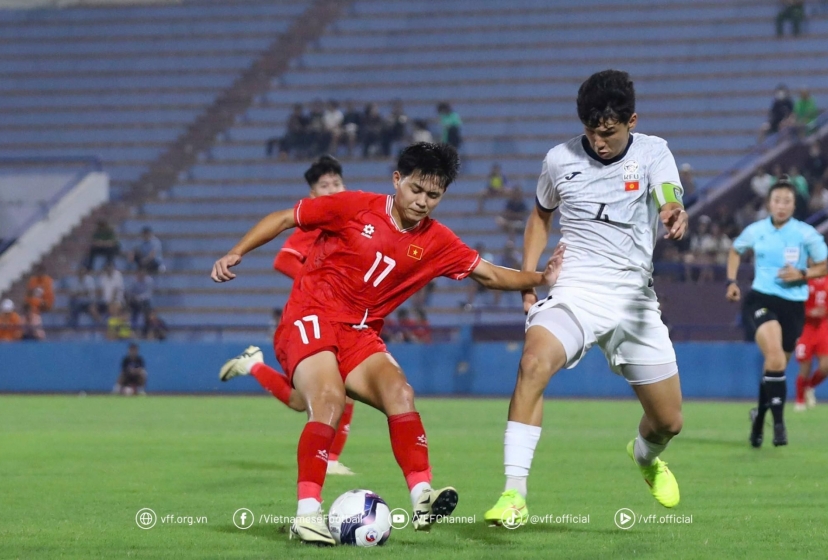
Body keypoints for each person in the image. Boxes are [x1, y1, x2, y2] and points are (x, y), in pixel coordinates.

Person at [211, 142, 564, 545]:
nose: (422, 201)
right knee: (328, 400)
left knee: (400, 391)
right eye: (416, 190)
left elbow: (488, 275)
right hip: (309, 316)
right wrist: (236, 252)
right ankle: (307, 515)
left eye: (433, 195)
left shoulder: (437, 240)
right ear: (397, 180)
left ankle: (422, 498)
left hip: (359, 333)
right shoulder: (353, 206)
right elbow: (285, 218)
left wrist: (539, 278)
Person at [485, 70, 690, 527]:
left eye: (609, 133)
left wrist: (675, 211)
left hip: (635, 300)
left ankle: (644, 457)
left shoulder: (655, 152)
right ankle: (513, 494)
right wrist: (526, 280)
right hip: (576, 289)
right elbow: (540, 216)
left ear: (631, 121)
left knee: (668, 422)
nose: (599, 142)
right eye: (592, 132)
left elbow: (669, 196)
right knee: (533, 363)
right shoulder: (559, 160)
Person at [266, 155, 357, 476]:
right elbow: (284, 260)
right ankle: (324, 464)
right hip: (313, 318)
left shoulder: (348, 217)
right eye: (324, 185)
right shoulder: (317, 219)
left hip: (335, 315)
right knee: (329, 395)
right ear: (312, 195)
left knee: (330, 395)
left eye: (337, 182)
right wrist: (319, 280)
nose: (332, 188)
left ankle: (327, 460)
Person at [726, 178, 828, 447]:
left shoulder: (806, 234)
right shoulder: (756, 230)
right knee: (773, 356)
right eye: (777, 200)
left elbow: (824, 265)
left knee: (776, 366)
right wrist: (732, 281)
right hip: (761, 299)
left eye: (787, 201)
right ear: (769, 203)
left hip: (793, 306)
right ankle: (780, 426)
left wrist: (803, 273)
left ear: (794, 205)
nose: (781, 206)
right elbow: (736, 251)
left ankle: (759, 420)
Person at [794, 276, 828, 410]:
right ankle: (799, 400)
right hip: (806, 327)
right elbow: (795, 306)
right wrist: (809, 312)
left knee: (825, 366)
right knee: (805, 365)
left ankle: (810, 386)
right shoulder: (804, 280)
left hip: (824, 327)